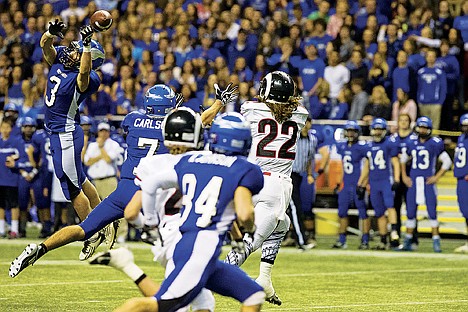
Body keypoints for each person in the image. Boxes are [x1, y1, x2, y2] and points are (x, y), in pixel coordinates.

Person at [9, 84, 178, 277]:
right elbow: (196, 125)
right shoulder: (172, 126)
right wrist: (212, 105)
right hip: (150, 194)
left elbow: (134, 129)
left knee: (84, 229)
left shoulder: (133, 119)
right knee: (179, 229)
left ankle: (41, 248)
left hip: (123, 191)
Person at [115, 109, 265, 312]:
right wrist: (249, 228)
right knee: (160, 305)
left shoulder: (192, 162)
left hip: (189, 243)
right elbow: (244, 213)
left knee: (253, 294)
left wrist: (149, 223)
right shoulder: (245, 169)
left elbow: (151, 184)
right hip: (200, 245)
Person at [203, 71, 309, 305]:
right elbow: (290, 107)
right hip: (276, 185)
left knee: (283, 226)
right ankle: (209, 282)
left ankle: (265, 278)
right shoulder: (301, 115)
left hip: (248, 179)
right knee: (249, 243)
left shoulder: (251, 109)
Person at [39, 19, 114, 249]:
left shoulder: (89, 78)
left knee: (72, 189)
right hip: (58, 132)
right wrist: (50, 33)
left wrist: (88, 45)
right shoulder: (62, 58)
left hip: (66, 133)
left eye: (78, 52)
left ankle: (90, 231)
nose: (72, 52)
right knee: (80, 179)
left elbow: (83, 73)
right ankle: (106, 222)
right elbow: (45, 46)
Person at [400, 117, 452, 252]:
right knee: (410, 212)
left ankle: (436, 242)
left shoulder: (434, 143)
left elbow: (447, 162)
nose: (422, 130)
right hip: (413, 182)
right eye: (420, 127)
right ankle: (407, 241)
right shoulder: (411, 142)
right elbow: (403, 159)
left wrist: (436, 177)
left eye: (425, 128)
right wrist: (404, 176)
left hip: (427, 182)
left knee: (432, 212)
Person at [362, 118, 401, 250]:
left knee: (390, 206)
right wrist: (361, 183)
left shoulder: (389, 144)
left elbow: (395, 162)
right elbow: (367, 166)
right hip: (374, 182)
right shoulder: (369, 146)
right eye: (376, 129)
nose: (378, 132)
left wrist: (396, 179)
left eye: (380, 129)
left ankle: (394, 232)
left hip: (385, 180)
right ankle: (383, 240)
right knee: (379, 212)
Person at [333, 121, 370, 249]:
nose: (350, 133)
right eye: (348, 131)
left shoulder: (362, 147)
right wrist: (339, 182)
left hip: (357, 183)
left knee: (363, 212)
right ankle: (342, 240)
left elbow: (368, 164)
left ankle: (365, 240)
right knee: (342, 212)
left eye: (352, 131)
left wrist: (362, 183)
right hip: (346, 184)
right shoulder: (342, 147)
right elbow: (343, 166)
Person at [84, 122, 122, 200]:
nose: (103, 133)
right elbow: (87, 162)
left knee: (111, 207)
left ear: (109, 132)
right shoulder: (92, 145)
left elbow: (108, 160)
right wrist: (101, 156)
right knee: (93, 208)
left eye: (106, 131)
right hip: (94, 181)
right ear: (98, 132)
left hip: (109, 180)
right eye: (101, 131)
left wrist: (101, 147)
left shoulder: (114, 144)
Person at [0, 116, 21, 238]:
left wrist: (15, 163)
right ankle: (1, 229)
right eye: (3, 127)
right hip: (0, 179)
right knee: (1, 204)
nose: (5, 130)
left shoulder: (16, 142)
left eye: (7, 127)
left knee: (13, 205)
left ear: (11, 129)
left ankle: (14, 230)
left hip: (12, 179)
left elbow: (23, 159)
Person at [454, 113, 468, 253]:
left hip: (466, 179)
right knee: (465, 211)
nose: (466, 128)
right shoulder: (461, 138)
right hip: (460, 179)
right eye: (464, 125)